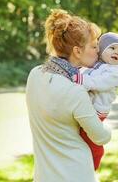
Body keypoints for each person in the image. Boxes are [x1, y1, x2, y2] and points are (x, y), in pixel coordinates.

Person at [26, 9, 111, 182]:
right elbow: (101, 136)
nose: (98, 51)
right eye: (94, 46)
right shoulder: (75, 92)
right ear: (77, 51)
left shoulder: (34, 75)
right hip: (76, 175)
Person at [72, 32, 118, 170]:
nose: (116, 52)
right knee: (80, 134)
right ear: (101, 50)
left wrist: (82, 80)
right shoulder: (98, 66)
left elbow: (100, 83)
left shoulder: (114, 72)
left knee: (89, 136)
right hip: (91, 106)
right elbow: (86, 71)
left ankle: (94, 159)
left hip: (98, 109)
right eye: (112, 48)